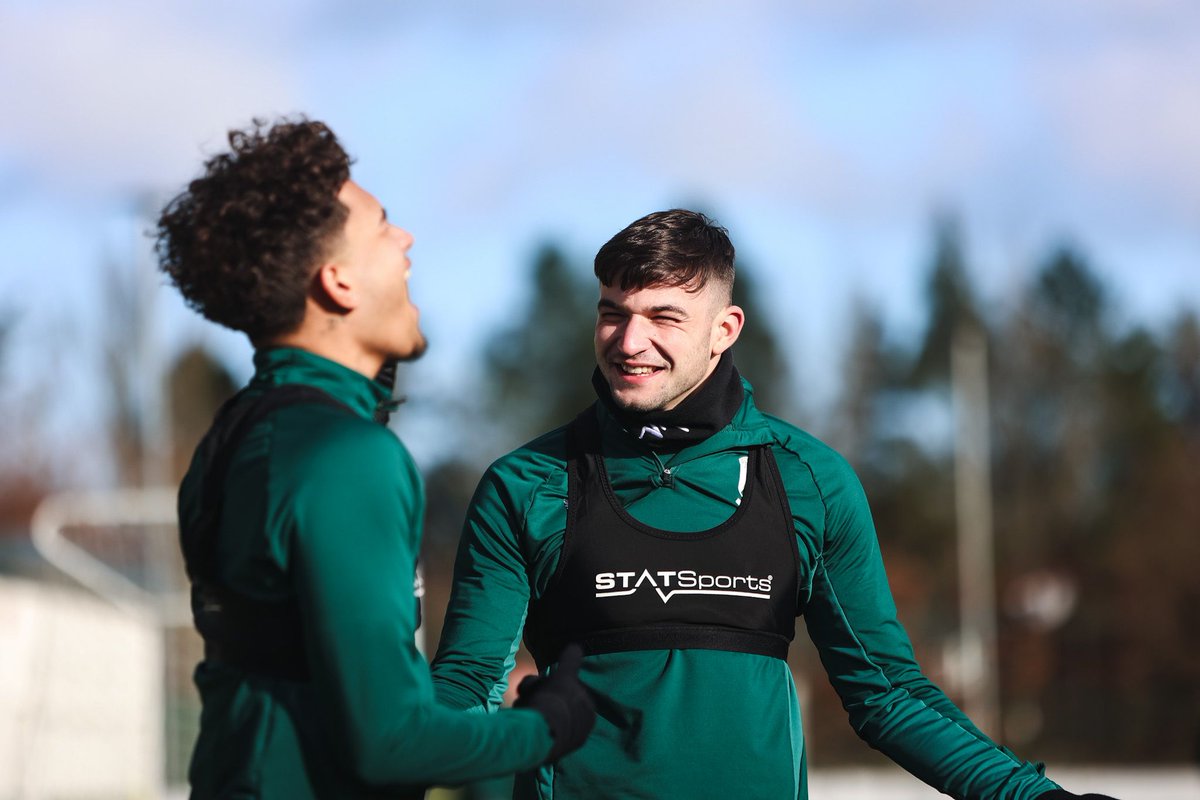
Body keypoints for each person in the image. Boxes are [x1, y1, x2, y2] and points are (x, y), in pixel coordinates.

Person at [429, 209, 1116, 800]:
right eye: (614, 313)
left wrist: (1034, 797)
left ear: (724, 329)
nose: (629, 342)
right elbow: (466, 690)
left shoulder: (808, 482)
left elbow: (888, 695)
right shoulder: (528, 483)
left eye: (663, 317)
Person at [155, 117, 594, 799]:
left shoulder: (234, 438)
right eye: (383, 225)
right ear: (338, 282)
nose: (406, 238)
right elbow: (390, 742)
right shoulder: (345, 457)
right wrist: (546, 726)